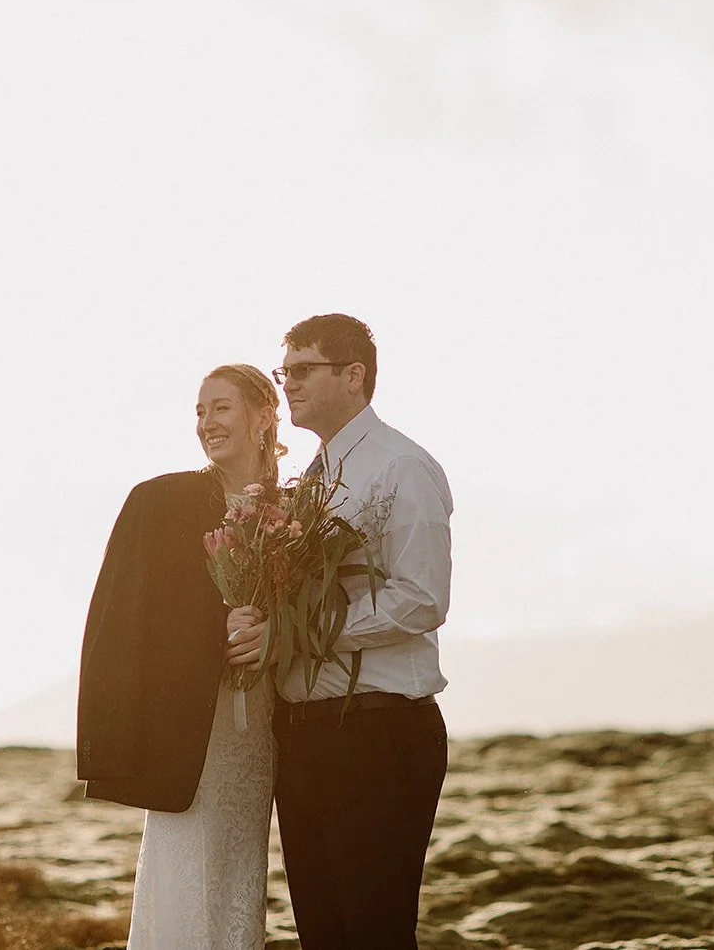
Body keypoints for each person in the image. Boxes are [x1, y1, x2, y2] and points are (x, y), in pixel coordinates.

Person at [226, 313, 452, 950]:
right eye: (284, 371)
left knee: (372, 933)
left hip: (377, 732)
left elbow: (421, 598)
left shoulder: (401, 466)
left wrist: (300, 637)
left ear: (353, 376)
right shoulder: (313, 477)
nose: (288, 385)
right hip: (307, 737)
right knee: (323, 935)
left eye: (302, 370)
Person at [77, 364, 283, 950]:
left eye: (220, 407)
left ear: (263, 415)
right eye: (199, 411)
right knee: (184, 864)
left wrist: (274, 625)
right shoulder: (161, 500)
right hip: (190, 723)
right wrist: (218, 630)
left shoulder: (296, 508)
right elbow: (128, 619)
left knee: (242, 869)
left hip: (263, 724)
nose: (206, 423)